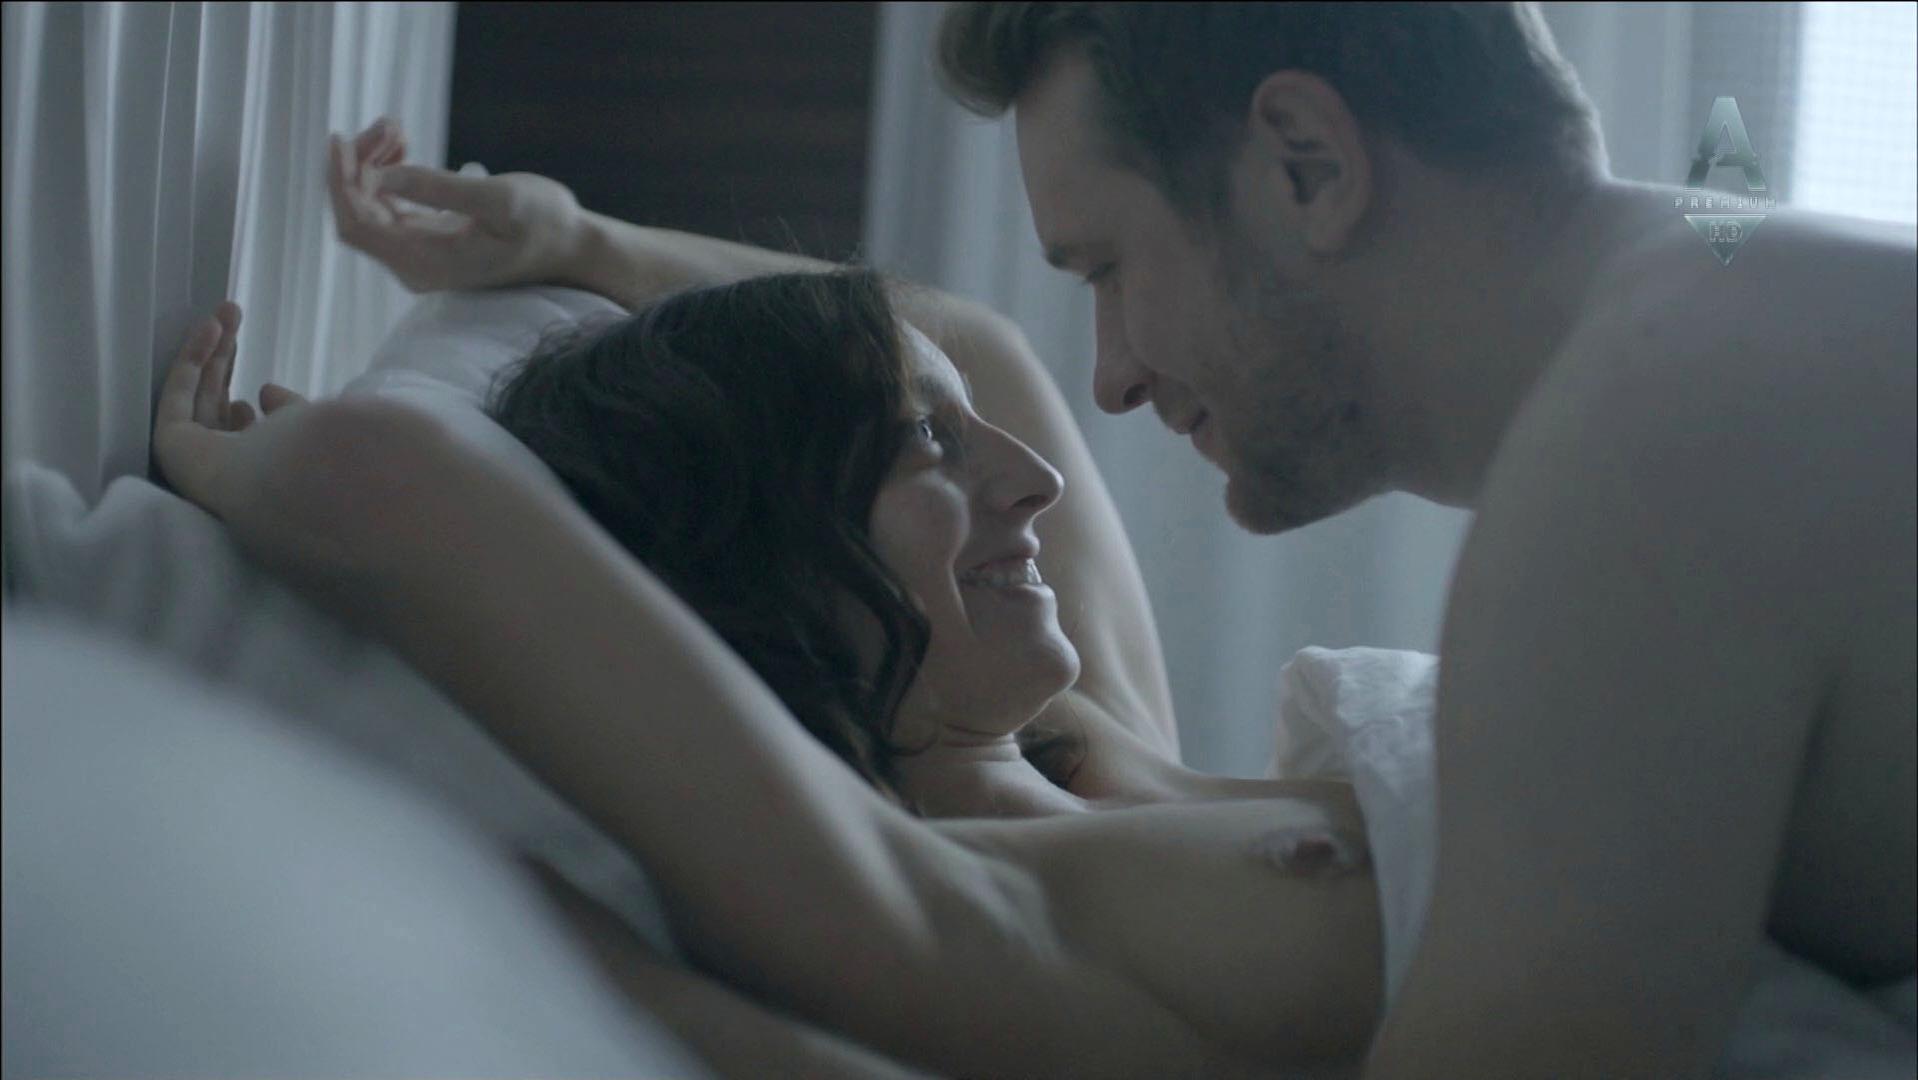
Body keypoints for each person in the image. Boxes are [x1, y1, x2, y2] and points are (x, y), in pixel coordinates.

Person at [149, 122, 1387, 1078]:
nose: (1036, 482)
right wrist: (235, 471)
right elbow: (394, 482)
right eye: (925, 442)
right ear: (767, 551)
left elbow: (980, 342)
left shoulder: (1099, 752)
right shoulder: (913, 904)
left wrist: (580, 243)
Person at [931, 2, 1914, 1077]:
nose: (1111, 377)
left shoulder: (1657, 434)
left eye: (1107, 269)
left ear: (1306, 166)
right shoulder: (1737, 320)